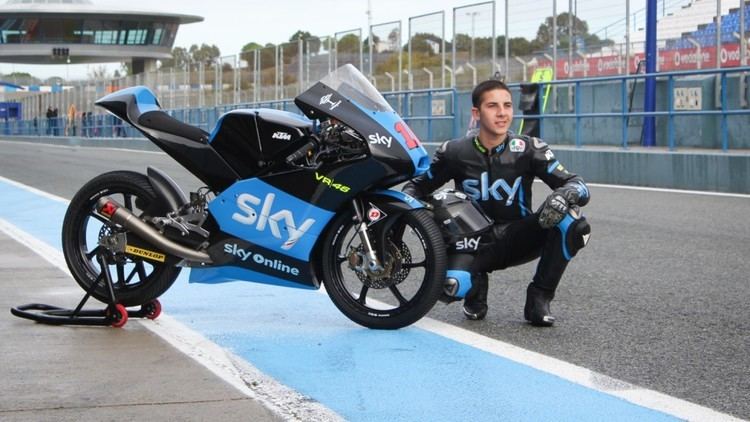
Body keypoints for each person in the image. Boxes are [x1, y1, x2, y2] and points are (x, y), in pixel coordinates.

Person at [402, 79, 591, 326]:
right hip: (471, 241)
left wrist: (565, 195)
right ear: (476, 113)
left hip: (518, 237)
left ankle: (539, 298)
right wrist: (432, 217)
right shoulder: (454, 151)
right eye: (493, 106)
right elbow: (414, 188)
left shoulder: (529, 148)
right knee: (451, 287)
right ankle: (475, 284)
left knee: (573, 221)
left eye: (508, 105)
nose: (502, 113)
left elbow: (577, 184)